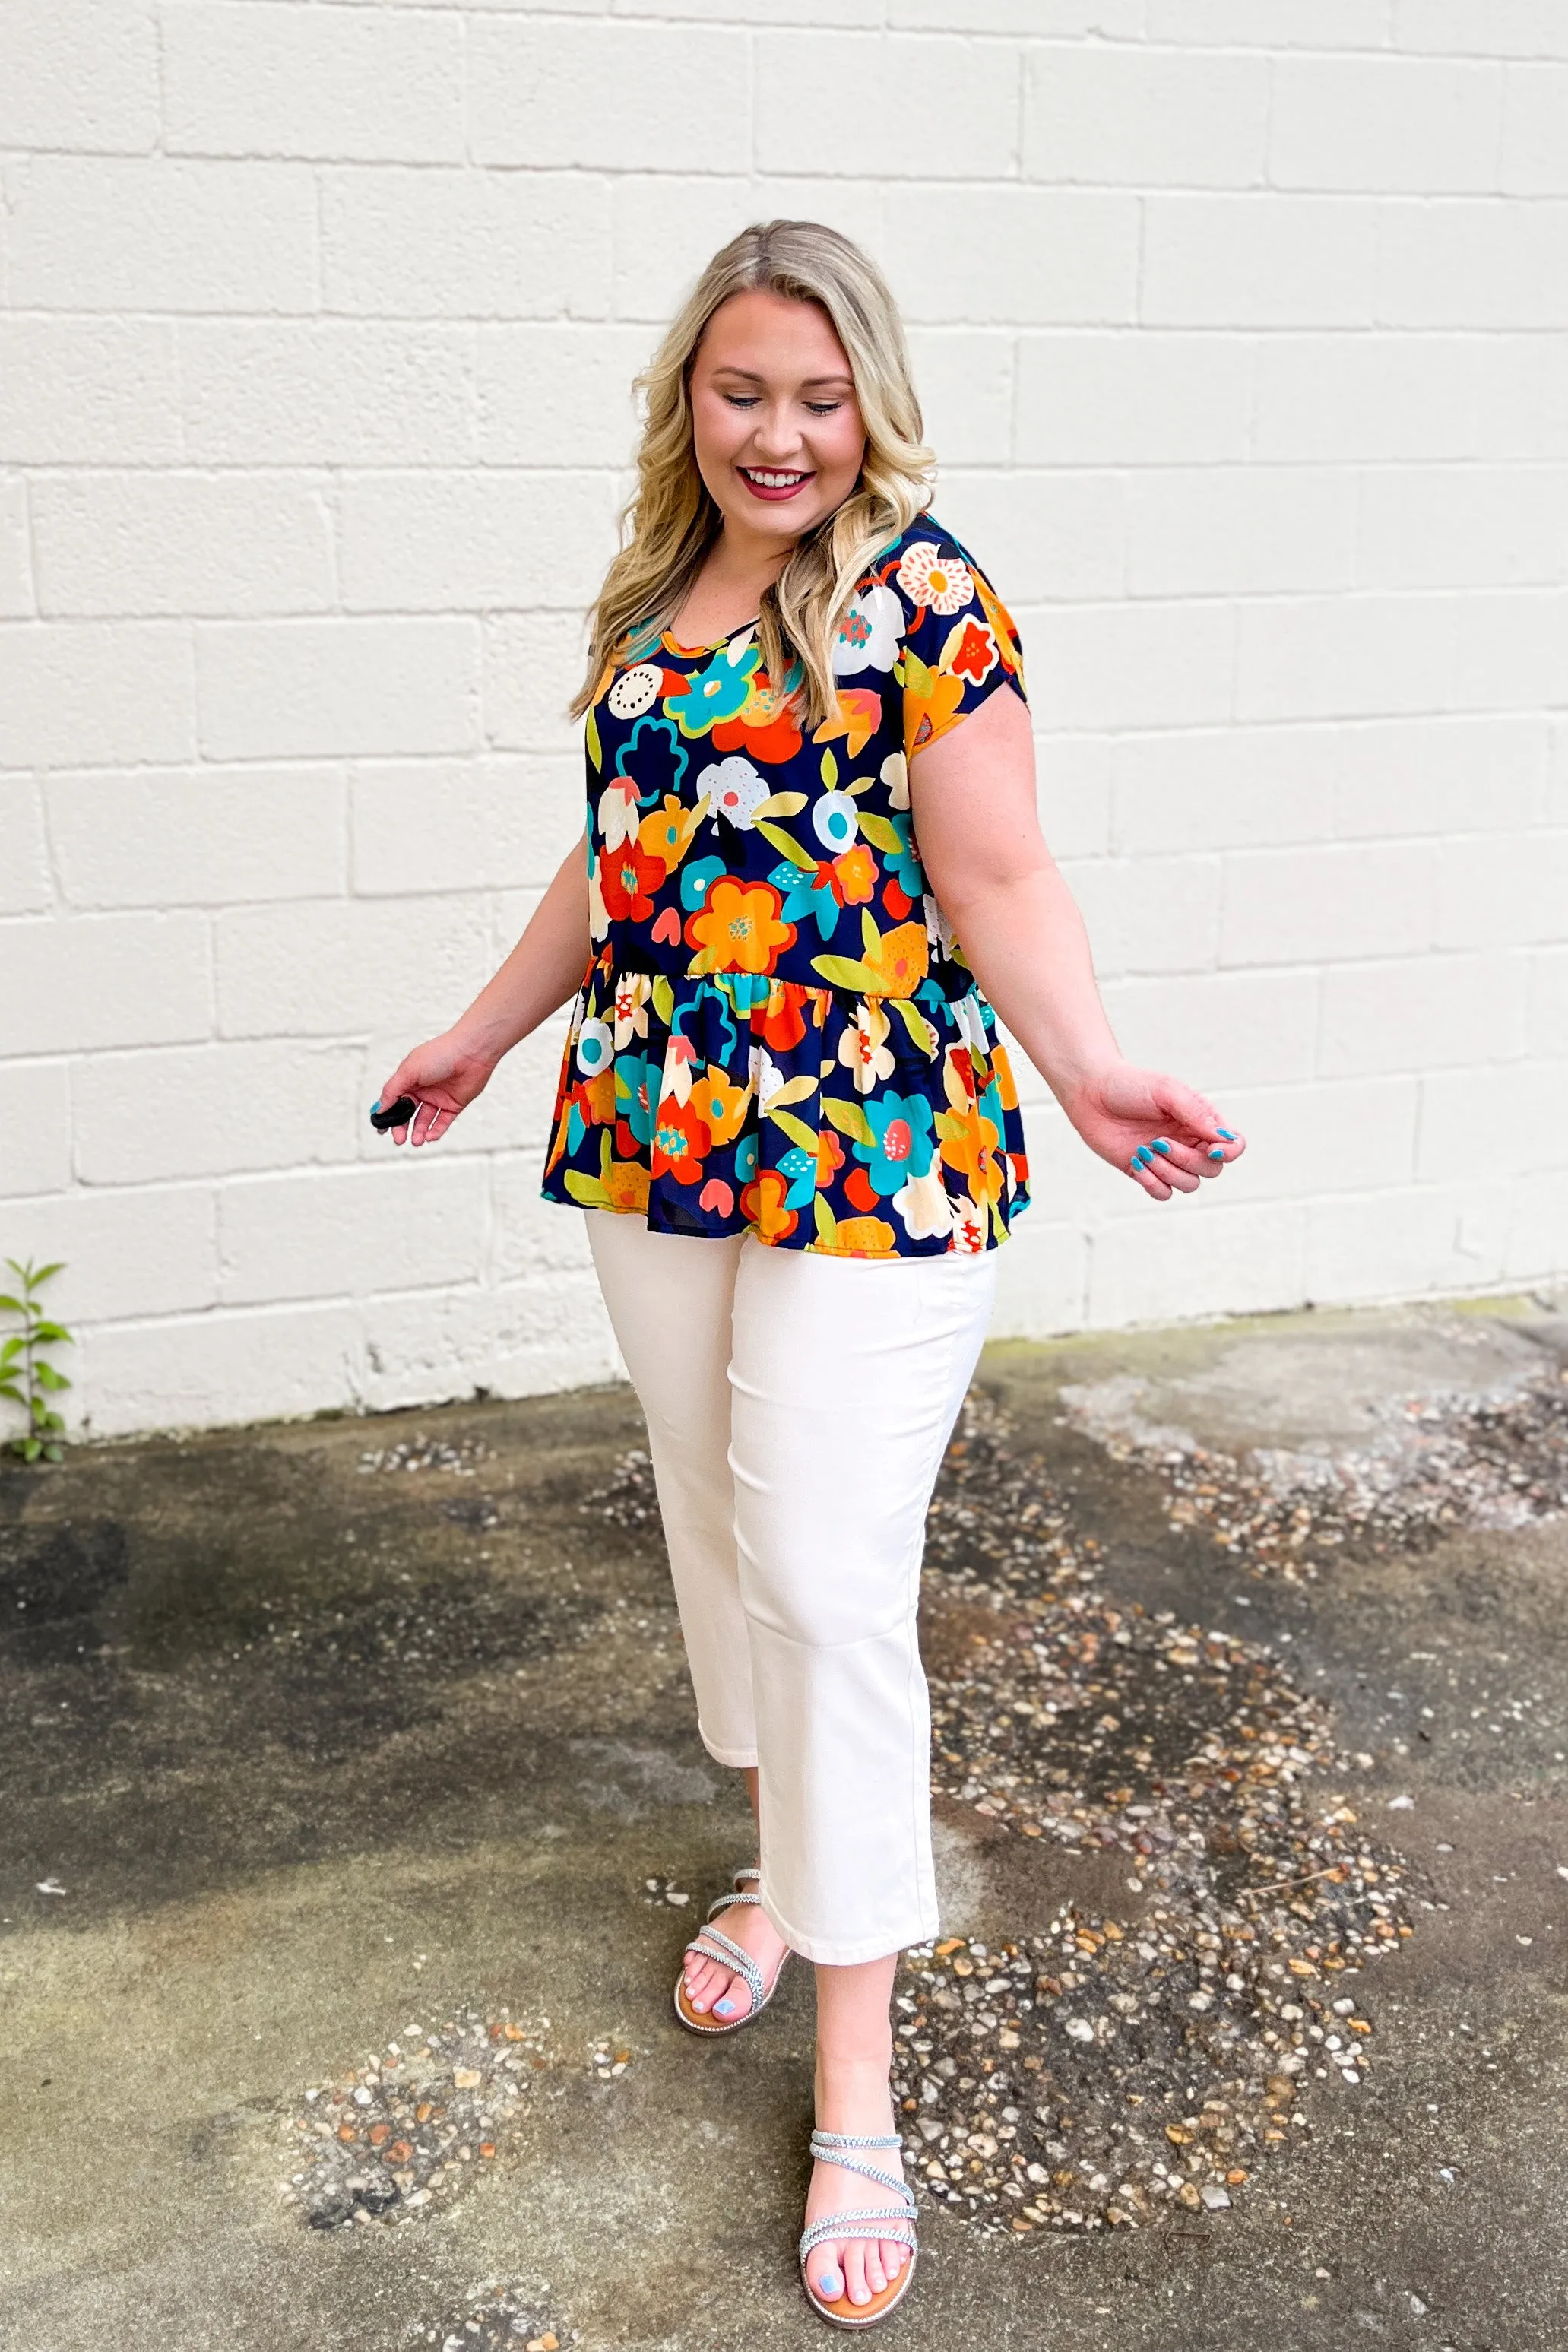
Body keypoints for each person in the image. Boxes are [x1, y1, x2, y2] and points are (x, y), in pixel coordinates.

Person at [376, 219, 1244, 2327]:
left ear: (871, 405)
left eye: (817, 394)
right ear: (690, 394)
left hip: (877, 1143)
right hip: (660, 1143)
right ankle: (775, 1862)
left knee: (829, 1571)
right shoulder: (654, 605)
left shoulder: (921, 599)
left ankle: (853, 2080)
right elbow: (621, 855)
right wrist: (489, 1028)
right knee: (716, 1524)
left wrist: (1092, 1061)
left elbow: (1000, 863)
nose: (778, 431)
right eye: (740, 388)